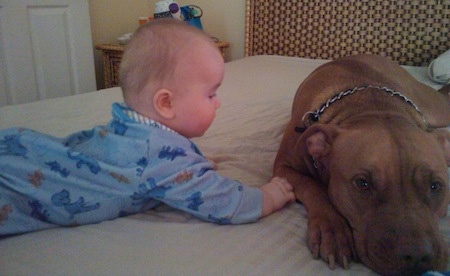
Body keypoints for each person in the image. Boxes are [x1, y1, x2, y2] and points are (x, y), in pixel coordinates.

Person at [0, 19, 294, 236]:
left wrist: (192, 166)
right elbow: (225, 202)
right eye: (211, 94)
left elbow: (165, 166)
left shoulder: (130, 125)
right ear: (165, 103)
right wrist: (268, 195)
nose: (218, 103)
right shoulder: (161, 156)